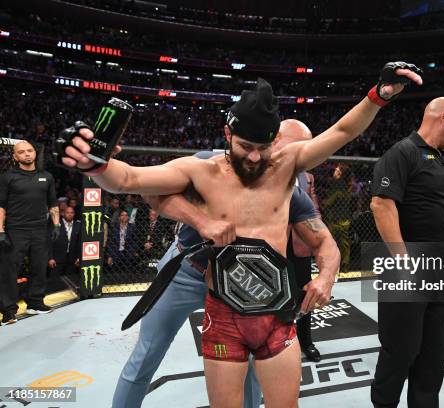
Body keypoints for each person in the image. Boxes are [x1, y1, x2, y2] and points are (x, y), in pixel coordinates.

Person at [60, 65, 420, 407]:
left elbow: (341, 132)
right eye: (245, 145)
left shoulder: (286, 169)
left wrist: (380, 95)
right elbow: (129, 180)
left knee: (257, 378)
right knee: (148, 353)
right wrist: (95, 164)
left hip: (255, 294)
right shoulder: (202, 169)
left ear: (275, 140)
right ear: (228, 134)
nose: (253, 156)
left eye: (262, 147)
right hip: (188, 269)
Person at [114, 123, 339, 407]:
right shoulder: (210, 164)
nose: (304, 157)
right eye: (298, 148)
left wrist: (327, 276)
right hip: (188, 270)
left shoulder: (290, 186)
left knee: (254, 362)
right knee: (147, 353)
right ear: (274, 139)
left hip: (244, 285)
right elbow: (149, 192)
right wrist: (200, 221)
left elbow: (324, 240)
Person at [370, 97, 444, 408]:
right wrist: (402, 259)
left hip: (439, 263)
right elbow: (381, 205)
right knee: (400, 349)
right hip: (406, 263)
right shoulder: (402, 152)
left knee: (433, 350)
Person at [278, 119, 324, 362]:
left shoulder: (307, 177)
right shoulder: (267, 170)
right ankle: (278, 344)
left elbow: (313, 209)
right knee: (274, 296)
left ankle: (306, 342)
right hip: (273, 245)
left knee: (305, 295)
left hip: (300, 245)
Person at [0, 140, 60, 324]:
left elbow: (53, 203)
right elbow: (0, 206)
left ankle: (35, 303)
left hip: (40, 230)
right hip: (15, 230)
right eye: (22, 152)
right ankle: (8, 311)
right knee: (9, 271)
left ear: (35, 153)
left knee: (39, 268)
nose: (27, 154)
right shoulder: (8, 177)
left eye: (29, 150)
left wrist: (56, 225)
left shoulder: (46, 177)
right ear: (15, 156)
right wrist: (0, 230)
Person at [47, 206, 81, 287]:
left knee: (71, 281)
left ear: (74, 214)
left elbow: (79, 243)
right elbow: (49, 243)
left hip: (72, 259)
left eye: (71, 213)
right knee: (54, 281)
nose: (69, 214)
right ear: (63, 214)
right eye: (67, 212)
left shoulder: (78, 225)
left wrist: (79, 257)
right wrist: (50, 258)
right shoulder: (56, 224)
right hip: (57, 259)